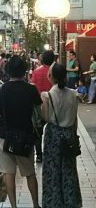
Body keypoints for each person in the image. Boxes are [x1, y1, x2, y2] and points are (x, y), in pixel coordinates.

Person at [0, 55, 42, 208]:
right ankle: (35, 204)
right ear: (24, 71)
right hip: (25, 138)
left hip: (4, 137)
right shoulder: (31, 90)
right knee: (30, 173)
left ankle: (14, 206)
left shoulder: (0, 91)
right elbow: (38, 114)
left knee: (9, 174)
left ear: (8, 71)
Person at [41, 63, 82, 208]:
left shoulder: (47, 96)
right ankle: (71, 201)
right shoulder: (73, 94)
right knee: (69, 169)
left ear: (51, 77)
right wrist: (74, 136)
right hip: (69, 133)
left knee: (52, 170)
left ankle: (53, 202)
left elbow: (45, 118)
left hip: (53, 135)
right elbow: (75, 118)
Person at [30, 50, 55, 163]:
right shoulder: (55, 72)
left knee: (38, 131)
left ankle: (39, 155)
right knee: (52, 129)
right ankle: (50, 152)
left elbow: (33, 88)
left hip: (38, 105)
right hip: (53, 104)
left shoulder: (36, 72)